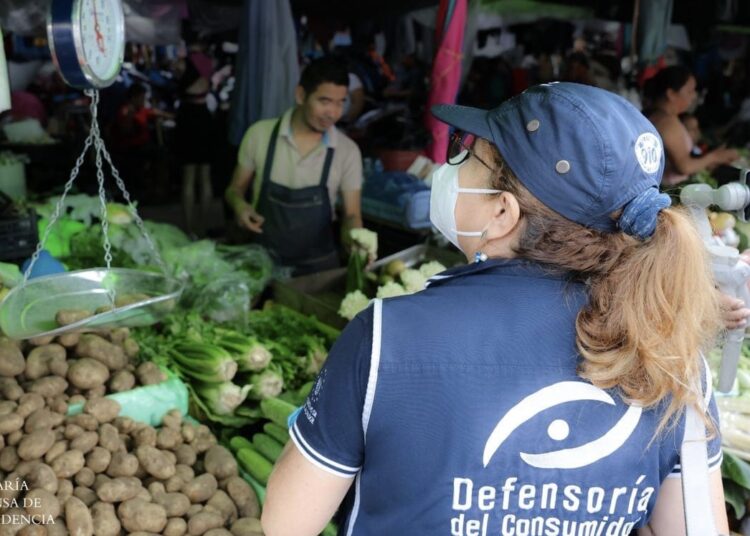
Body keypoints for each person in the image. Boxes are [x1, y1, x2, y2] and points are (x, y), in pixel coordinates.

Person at [261, 83, 729, 534]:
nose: (453, 164)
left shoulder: (386, 337)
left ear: (503, 213)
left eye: (468, 154)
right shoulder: (677, 358)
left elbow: (284, 524)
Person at [225, 57, 364, 275]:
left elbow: (352, 214)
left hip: (319, 268)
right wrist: (240, 207)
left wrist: (355, 237)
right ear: (300, 95)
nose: (333, 113)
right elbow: (234, 190)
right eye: (325, 101)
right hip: (262, 264)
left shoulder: (347, 151)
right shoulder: (259, 135)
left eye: (340, 103)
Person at [645, 65, 738, 187]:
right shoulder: (667, 122)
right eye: (690, 91)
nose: (694, 96)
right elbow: (684, 167)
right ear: (671, 94)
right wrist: (714, 157)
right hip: (668, 189)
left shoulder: (660, 115)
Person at [175, 41, 216, 236]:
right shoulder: (209, 62)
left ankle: (189, 229)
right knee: (205, 176)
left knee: (189, 178)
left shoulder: (182, 63)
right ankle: (203, 226)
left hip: (187, 116)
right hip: (204, 116)